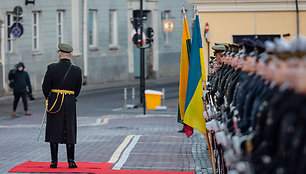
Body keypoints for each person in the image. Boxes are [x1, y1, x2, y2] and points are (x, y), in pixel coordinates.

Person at [42, 43, 82, 168]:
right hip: (70, 101)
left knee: (54, 129)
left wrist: (49, 97)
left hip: (55, 101)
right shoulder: (77, 70)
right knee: (69, 129)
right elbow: (78, 89)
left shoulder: (52, 68)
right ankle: (71, 161)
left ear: (60, 54)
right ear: (69, 55)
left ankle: (54, 162)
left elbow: (45, 87)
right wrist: (70, 96)